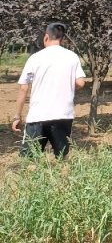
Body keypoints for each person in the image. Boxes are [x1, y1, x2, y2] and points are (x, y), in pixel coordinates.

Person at [11, 23, 86, 159]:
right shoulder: (72, 57)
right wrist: (64, 86)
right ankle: (63, 179)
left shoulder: (35, 58)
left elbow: (23, 88)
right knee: (62, 157)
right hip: (63, 115)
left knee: (29, 159)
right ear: (62, 39)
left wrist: (17, 116)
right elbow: (80, 82)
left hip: (37, 116)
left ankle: (32, 180)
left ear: (46, 37)